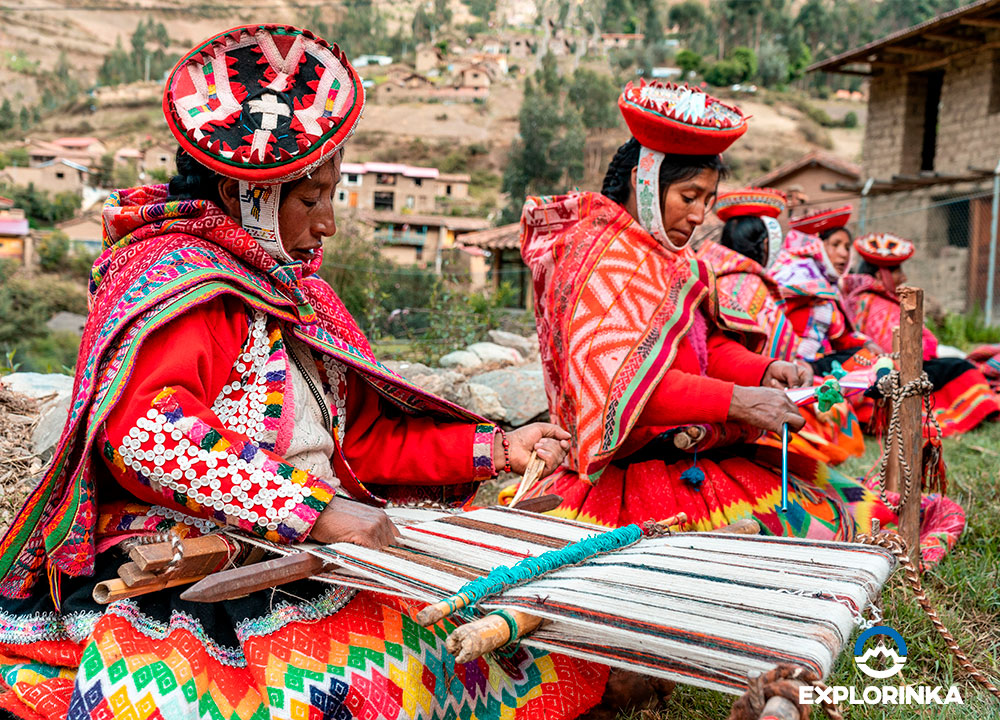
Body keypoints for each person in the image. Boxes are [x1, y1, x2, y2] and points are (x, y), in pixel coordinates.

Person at [0, 26, 609, 720]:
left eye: (331, 194)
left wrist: (500, 448)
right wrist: (316, 511)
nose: (327, 224)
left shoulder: (297, 295)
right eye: (312, 199)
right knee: (359, 686)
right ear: (251, 196)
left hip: (315, 546)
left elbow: (366, 441)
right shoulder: (174, 278)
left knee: (514, 635)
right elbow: (146, 436)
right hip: (199, 560)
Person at [509, 80, 904, 543]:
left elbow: (703, 345)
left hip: (697, 453)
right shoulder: (597, 257)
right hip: (625, 475)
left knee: (856, 520)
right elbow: (624, 391)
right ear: (645, 182)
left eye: (708, 201)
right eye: (689, 196)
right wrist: (738, 402)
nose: (699, 216)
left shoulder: (678, 264)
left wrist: (762, 370)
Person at [699, 189, 864, 465]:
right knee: (834, 406)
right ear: (766, 245)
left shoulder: (714, 277)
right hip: (750, 396)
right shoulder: (752, 285)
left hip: (733, 388)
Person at [842, 232, 999, 436]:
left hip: (888, 370)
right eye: (898, 271)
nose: (904, 277)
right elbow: (899, 353)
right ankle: (976, 407)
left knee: (955, 363)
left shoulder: (864, 300)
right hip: (891, 373)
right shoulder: (874, 304)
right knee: (959, 367)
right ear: (882, 275)